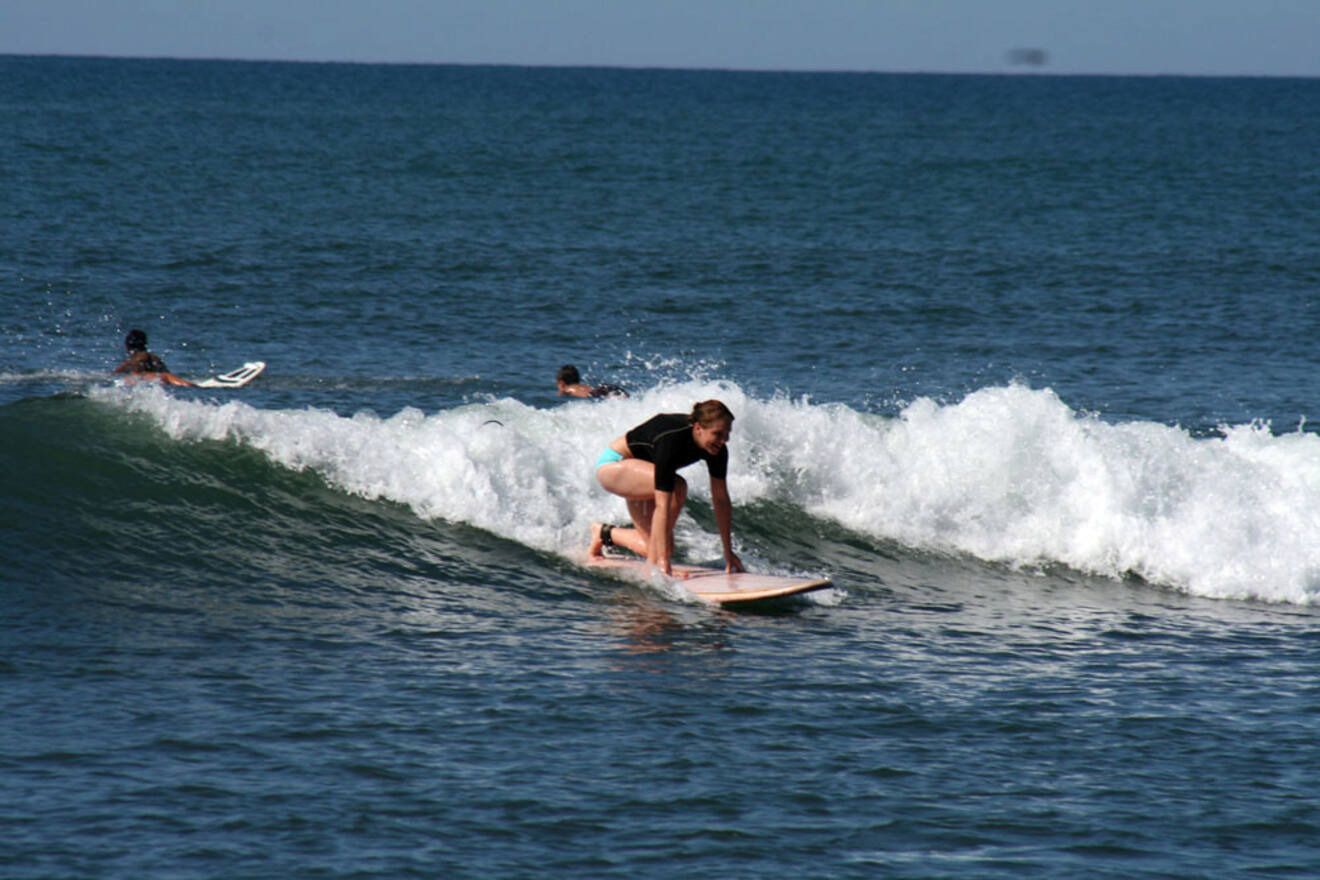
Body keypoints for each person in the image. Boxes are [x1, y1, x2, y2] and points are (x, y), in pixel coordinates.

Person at [589, 399, 743, 577]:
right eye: (718, 434)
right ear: (698, 428)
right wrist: (662, 564)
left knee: (658, 547)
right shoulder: (671, 440)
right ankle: (654, 565)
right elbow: (663, 504)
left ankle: (604, 533)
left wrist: (728, 552)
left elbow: (721, 500)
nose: (724, 440)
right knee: (677, 487)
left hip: (645, 473)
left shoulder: (717, 448)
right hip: (614, 466)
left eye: (727, 434)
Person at [113, 329, 195, 387]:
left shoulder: (128, 371)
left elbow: (113, 375)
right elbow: (185, 384)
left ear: (127, 347)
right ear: (145, 344)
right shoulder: (161, 373)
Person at [556, 364, 627, 399]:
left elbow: (560, 395)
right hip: (603, 388)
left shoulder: (567, 389)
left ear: (561, 383)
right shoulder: (582, 387)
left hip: (595, 393)